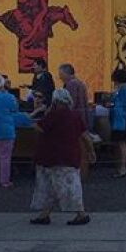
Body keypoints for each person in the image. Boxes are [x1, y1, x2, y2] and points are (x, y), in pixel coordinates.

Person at [30, 89, 91, 226]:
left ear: (55, 101)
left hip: (53, 155)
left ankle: (81, 213)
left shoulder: (54, 115)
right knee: (58, 186)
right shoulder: (75, 115)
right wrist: (91, 150)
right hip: (70, 154)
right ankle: (45, 214)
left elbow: (39, 127)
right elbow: (84, 134)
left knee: (58, 186)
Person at [108, 67, 126, 179]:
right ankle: (121, 167)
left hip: (122, 120)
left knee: (121, 143)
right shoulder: (125, 89)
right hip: (124, 119)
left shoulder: (123, 90)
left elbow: (123, 105)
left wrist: (111, 105)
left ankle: (122, 167)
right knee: (121, 143)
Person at [58, 63, 89, 129]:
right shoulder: (80, 83)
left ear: (67, 74)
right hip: (82, 117)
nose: (60, 77)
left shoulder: (71, 84)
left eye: (61, 74)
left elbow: (71, 103)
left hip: (75, 119)